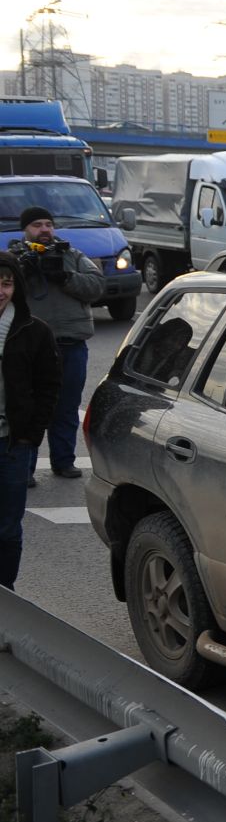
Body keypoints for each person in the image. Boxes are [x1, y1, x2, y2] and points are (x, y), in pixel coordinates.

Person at [10, 206, 103, 482]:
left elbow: (96, 286)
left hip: (70, 344)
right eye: (37, 225)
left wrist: (64, 277)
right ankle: (23, 469)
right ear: (26, 229)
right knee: (28, 408)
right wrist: (23, 272)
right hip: (29, 349)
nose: (45, 230)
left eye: (48, 224)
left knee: (66, 407)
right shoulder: (15, 258)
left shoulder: (72, 256)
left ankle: (63, 462)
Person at [0, 251, 62, 591]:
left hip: (13, 444)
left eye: (7, 284)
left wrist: (32, 434)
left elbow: (49, 385)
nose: (0, 291)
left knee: (8, 528)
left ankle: (6, 597)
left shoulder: (34, 331)